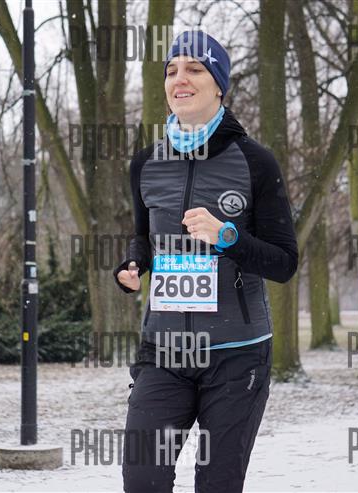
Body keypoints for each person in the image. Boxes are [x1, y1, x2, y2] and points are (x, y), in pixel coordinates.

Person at [113, 31, 298, 492]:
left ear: (219, 85)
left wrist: (227, 236)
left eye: (195, 69)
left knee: (217, 484)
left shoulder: (255, 161)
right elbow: (144, 237)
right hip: (164, 351)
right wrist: (133, 265)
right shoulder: (146, 163)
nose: (180, 78)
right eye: (172, 70)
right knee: (142, 480)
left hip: (238, 354)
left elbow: (284, 262)